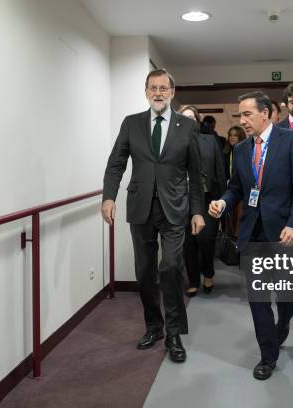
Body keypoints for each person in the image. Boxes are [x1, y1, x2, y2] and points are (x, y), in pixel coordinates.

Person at [102, 69, 205, 363]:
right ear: (146, 92)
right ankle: (154, 326)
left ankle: (174, 334)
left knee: (171, 267)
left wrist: (197, 211)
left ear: (172, 92)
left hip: (174, 208)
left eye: (163, 88)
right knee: (145, 272)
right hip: (140, 207)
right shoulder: (131, 124)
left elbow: (195, 175)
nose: (158, 93)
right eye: (153, 88)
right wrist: (109, 196)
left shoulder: (187, 126)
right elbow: (116, 163)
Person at [209, 91, 293, 380]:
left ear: (265, 113)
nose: (242, 120)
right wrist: (224, 202)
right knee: (258, 298)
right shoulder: (241, 150)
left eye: (247, 114)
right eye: (240, 115)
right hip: (252, 232)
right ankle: (268, 355)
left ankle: (284, 323)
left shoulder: (291, 141)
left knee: (288, 294)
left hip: (283, 232)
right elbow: (236, 187)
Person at [179, 105, 227, 296]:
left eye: (192, 117)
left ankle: (208, 273)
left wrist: (224, 200)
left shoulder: (210, 140)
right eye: (185, 117)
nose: (189, 120)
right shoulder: (173, 143)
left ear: (197, 121)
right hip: (182, 200)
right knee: (187, 243)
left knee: (206, 239)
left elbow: (220, 171)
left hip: (208, 198)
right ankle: (193, 280)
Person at [223, 126, 247, 236]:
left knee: (239, 217)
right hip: (227, 190)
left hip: (241, 190)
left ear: (240, 137)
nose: (232, 138)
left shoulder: (245, 151)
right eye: (230, 135)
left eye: (235, 135)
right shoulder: (225, 151)